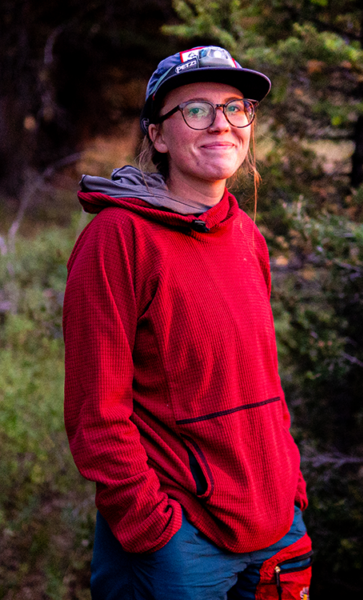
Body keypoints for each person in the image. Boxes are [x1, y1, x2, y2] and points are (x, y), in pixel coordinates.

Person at [63, 45, 312, 600]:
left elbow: (261, 381)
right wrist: (153, 527)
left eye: (235, 107)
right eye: (196, 110)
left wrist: (290, 487)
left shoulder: (246, 235)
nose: (221, 124)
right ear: (157, 135)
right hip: (183, 544)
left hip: (277, 525)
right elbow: (94, 412)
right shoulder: (118, 238)